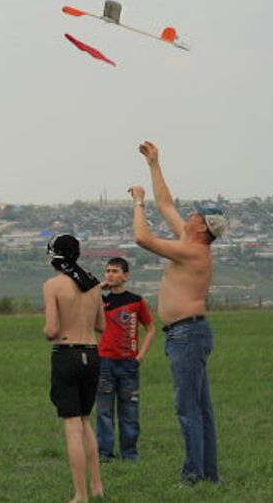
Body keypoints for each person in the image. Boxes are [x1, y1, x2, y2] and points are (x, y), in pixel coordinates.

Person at [128, 140, 226, 484]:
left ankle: (193, 476)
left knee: (189, 411)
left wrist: (138, 201)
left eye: (196, 215)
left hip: (187, 334)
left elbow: (142, 238)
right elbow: (166, 203)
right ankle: (209, 476)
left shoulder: (193, 252)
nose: (190, 215)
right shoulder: (189, 240)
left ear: (203, 228)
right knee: (201, 410)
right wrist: (154, 164)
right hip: (188, 334)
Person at [43, 234, 105, 502]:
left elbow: (52, 329)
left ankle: (80, 495)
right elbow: (101, 326)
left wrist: (48, 331)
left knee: (71, 426)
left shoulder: (53, 285)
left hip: (66, 355)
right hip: (92, 355)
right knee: (84, 420)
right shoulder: (93, 286)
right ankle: (97, 487)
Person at [96, 257, 156, 462]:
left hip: (129, 364)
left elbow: (150, 329)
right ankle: (105, 454)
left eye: (114, 271)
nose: (110, 274)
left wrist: (139, 357)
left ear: (126, 275)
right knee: (104, 411)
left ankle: (129, 454)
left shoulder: (137, 301)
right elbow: (82, 301)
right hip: (104, 362)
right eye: (107, 271)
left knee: (129, 411)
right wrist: (98, 288)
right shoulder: (101, 301)